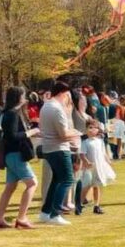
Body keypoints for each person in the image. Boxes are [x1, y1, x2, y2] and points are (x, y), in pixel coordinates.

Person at [0, 86, 39, 229]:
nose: (26, 97)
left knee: (10, 187)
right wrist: (31, 132)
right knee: (32, 183)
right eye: (23, 95)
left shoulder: (8, 113)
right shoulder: (12, 114)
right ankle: (22, 218)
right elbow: (12, 136)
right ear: (19, 97)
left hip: (11, 154)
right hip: (15, 154)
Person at [38, 82, 80, 225]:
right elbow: (63, 134)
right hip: (59, 148)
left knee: (56, 180)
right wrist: (77, 134)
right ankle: (55, 213)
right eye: (68, 94)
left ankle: (45, 212)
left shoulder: (46, 106)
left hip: (49, 148)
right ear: (63, 93)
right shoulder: (57, 108)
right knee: (67, 179)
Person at [81, 120, 116, 214]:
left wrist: (108, 161)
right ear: (86, 129)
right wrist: (86, 162)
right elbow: (82, 154)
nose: (92, 130)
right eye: (90, 128)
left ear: (98, 130)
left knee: (97, 186)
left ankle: (96, 206)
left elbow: (103, 153)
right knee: (87, 186)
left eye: (94, 128)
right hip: (90, 167)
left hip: (99, 166)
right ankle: (79, 203)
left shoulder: (100, 142)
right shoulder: (85, 142)